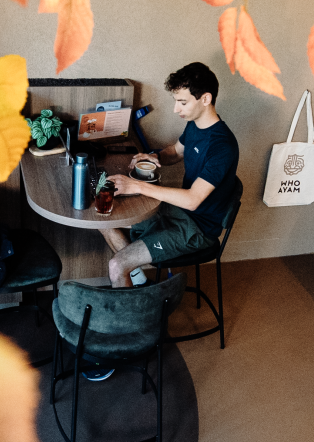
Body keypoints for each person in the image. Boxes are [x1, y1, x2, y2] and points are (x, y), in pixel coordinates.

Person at [102, 62, 239, 288]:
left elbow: (193, 200)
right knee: (103, 217)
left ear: (205, 99)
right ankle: (139, 284)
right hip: (178, 211)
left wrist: (137, 186)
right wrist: (153, 157)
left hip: (197, 228)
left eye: (182, 102)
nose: (176, 109)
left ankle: (133, 293)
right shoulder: (195, 125)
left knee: (117, 265)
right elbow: (175, 152)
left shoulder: (221, 146)